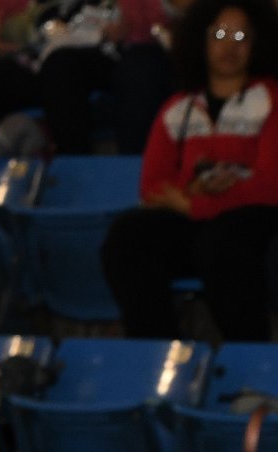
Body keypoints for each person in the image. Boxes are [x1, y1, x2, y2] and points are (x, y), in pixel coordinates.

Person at [101, 0, 278, 339]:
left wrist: (193, 204)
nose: (230, 46)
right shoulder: (177, 109)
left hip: (254, 228)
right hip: (196, 222)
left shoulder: (272, 101)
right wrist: (196, 197)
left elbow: (270, 187)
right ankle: (158, 353)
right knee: (128, 237)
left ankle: (249, 354)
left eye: (242, 36)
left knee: (221, 243)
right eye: (220, 35)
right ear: (200, 40)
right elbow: (153, 188)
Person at [0, 0, 174, 157]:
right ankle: (4, 170)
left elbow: (163, 16)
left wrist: (131, 23)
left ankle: (76, 167)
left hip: (114, 51)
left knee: (62, 66)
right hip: (41, 51)